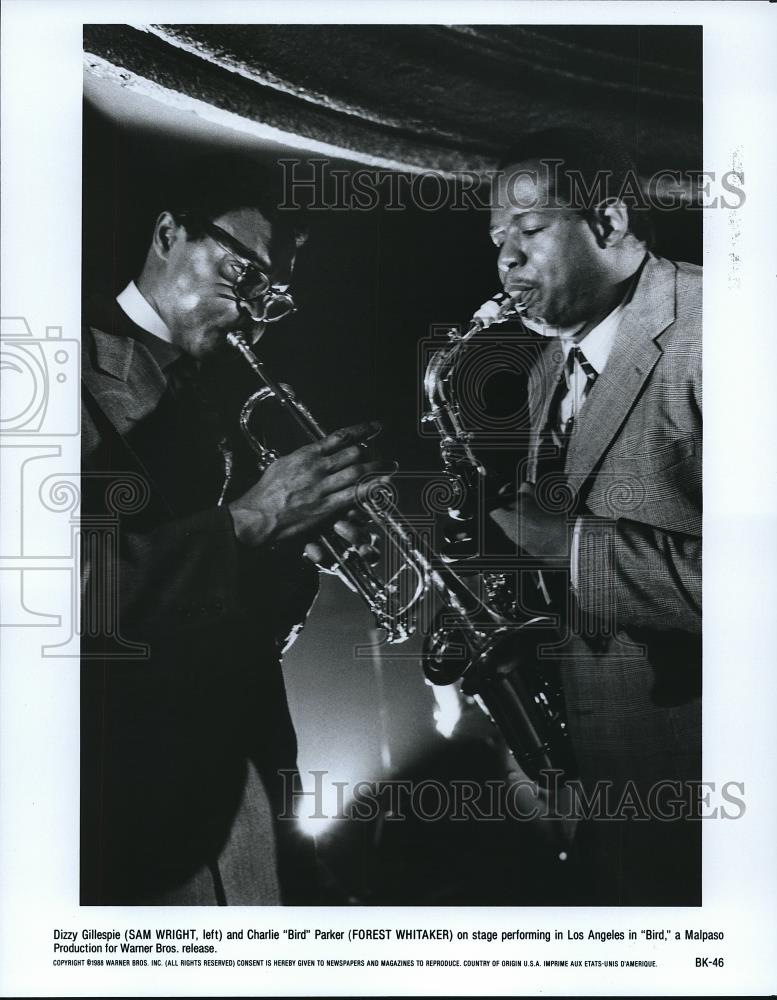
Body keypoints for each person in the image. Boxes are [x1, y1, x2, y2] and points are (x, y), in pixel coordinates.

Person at [80, 157, 385, 905]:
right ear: (166, 234)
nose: (252, 311)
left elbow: (240, 630)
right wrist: (250, 521)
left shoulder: (221, 394)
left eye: (270, 295)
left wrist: (291, 553)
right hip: (134, 826)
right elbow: (61, 594)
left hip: (247, 800)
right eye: (241, 275)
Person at [483, 129, 701, 905]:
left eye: (530, 231)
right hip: (609, 781)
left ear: (608, 223)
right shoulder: (550, 368)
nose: (505, 261)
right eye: (498, 240)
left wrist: (569, 548)